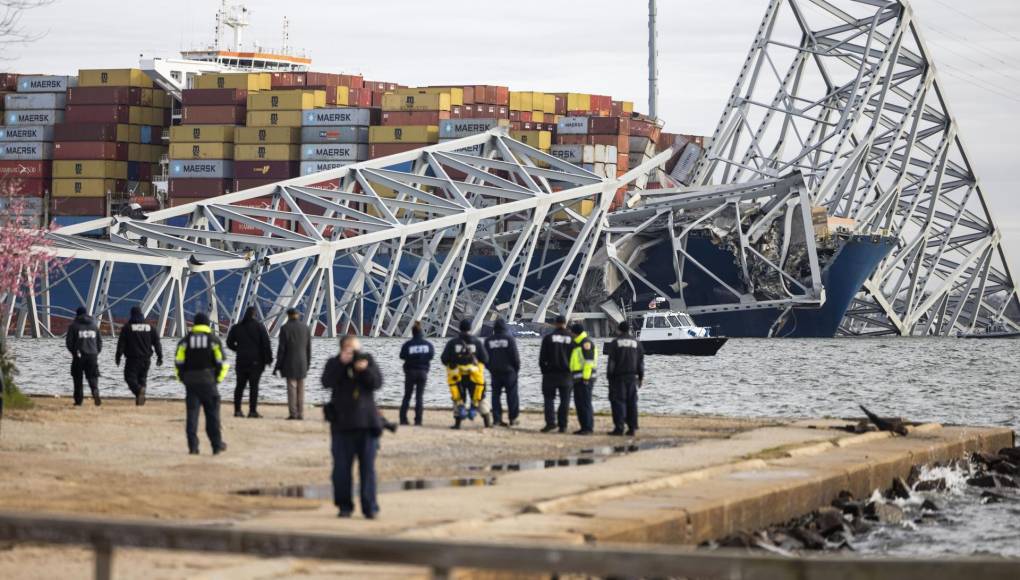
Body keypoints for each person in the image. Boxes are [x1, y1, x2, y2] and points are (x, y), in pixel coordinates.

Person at [322, 334, 382, 519]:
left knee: (368, 470)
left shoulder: (367, 361)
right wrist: (342, 363)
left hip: (366, 425)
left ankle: (369, 507)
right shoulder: (334, 363)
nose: (354, 353)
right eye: (350, 350)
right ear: (342, 349)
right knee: (341, 469)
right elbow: (326, 382)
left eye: (356, 349)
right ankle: (344, 506)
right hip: (341, 425)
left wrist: (364, 370)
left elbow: (377, 383)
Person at [174, 312, 229, 455]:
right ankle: (216, 446)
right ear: (207, 324)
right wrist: (217, 379)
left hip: (191, 382)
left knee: (192, 416)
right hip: (208, 381)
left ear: (194, 324)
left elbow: (178, 362)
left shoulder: (185, 341)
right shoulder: (213, 340)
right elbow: (222, 363)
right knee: (212, 415)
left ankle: (193, 447)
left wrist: (182, 378)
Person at [440, 318, 491, 429]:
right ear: (470, 328)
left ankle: (457, 423)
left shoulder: (452, 343)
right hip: (474, 376)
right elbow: (486, 359)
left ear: (459, 328)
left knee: (458, 398)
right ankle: (487, 422)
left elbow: (444, 359)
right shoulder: (477, 342)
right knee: (480, 397)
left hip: (457, 376)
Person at [226, 306, 273, 418]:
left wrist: (238, 349)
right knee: (254, 387)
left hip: (241, 361)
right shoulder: (259, 327)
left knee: (239, 386)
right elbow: (266, 344)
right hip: (256, 362)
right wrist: (268, 359)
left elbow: (229, 343)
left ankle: (237, 410)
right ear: (254, 315)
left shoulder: (237, 327)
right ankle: (252, 411)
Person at [115, 305, 163, 406]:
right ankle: (140, 399)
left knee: (129, 377)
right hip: (146, 359)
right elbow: (157, 343)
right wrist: (160, 356)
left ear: (131, 314)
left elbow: (121, 344)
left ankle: (138, 391)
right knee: (142, 378)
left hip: (133, 359)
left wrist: (118, 357)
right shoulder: (150, 327)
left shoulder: (127, 328)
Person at [605, 320, 644, 436]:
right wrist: (641, 377)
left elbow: (611, 362)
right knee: (632, 402)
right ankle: (632, 428)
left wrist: (609, 377)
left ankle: (619, 427)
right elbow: (640, 362)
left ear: (619, 330)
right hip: (632, 377)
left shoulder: (615, 343)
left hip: (618, 377)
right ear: (629, 329)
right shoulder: (636, 343)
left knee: (619, 401)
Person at [538, 315, 574, 433]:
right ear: (565, 323)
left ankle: (550, 423)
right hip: (567, 374)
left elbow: (542, 358)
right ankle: (563, 425)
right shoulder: (572, 338)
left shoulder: (548, 338)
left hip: (550, 374)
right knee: (565, 400)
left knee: (549, 399)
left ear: (555, 323)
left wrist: (545, 371)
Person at [275, 308, 311, 420]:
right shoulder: (305, 328)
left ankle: (293, 414)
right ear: (298, 315)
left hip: (289, 362)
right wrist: (308, 363)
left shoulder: (285, 328)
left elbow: (281, 349)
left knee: (291, 388)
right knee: (301, 389)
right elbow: (308, 348)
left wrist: (278, 365)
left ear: (288, 316)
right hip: (302, 363)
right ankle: (301, 413)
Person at [484, 318, 521, 427]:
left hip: (495, 373)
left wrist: (490, 368)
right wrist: (516, 370)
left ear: (494, 328)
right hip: (509, 372)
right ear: (504, 327)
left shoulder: (488, 341)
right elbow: (515, 357)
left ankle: (497, 419)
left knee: (495, 396)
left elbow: (484, 358)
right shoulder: (509, 339)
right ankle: (513, 419)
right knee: (512, 396)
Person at [65, 306, 102, 407]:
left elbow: (69, 342)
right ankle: (95, 392)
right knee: (93, 377)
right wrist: (95, 352)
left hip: (79, 356)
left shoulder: (74, 326)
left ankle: (78, 401)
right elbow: (99, 342)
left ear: (77, 314)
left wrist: (74, 353)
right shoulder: (94, 326)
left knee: (77, 379)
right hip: (92, 356)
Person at [398, 321, 434, 426]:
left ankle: (403, 419)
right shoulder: (428, 345)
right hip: (423, 372)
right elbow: (431, 356)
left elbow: (402, 356)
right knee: (419, 397)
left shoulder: (408, 345)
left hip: (410, 372)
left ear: (412, 332)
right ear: (421, 332)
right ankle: (418, 420)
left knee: (407, 396)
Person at [569, 321, 598, 436]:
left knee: (585, 403)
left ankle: (588, 428)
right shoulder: (578, 343)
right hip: (578, 378)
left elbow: (588, 362)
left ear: (575, 333)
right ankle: (583, 427)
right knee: (580, 403)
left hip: (584, 379)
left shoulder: (585, 343)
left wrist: (586, 378)